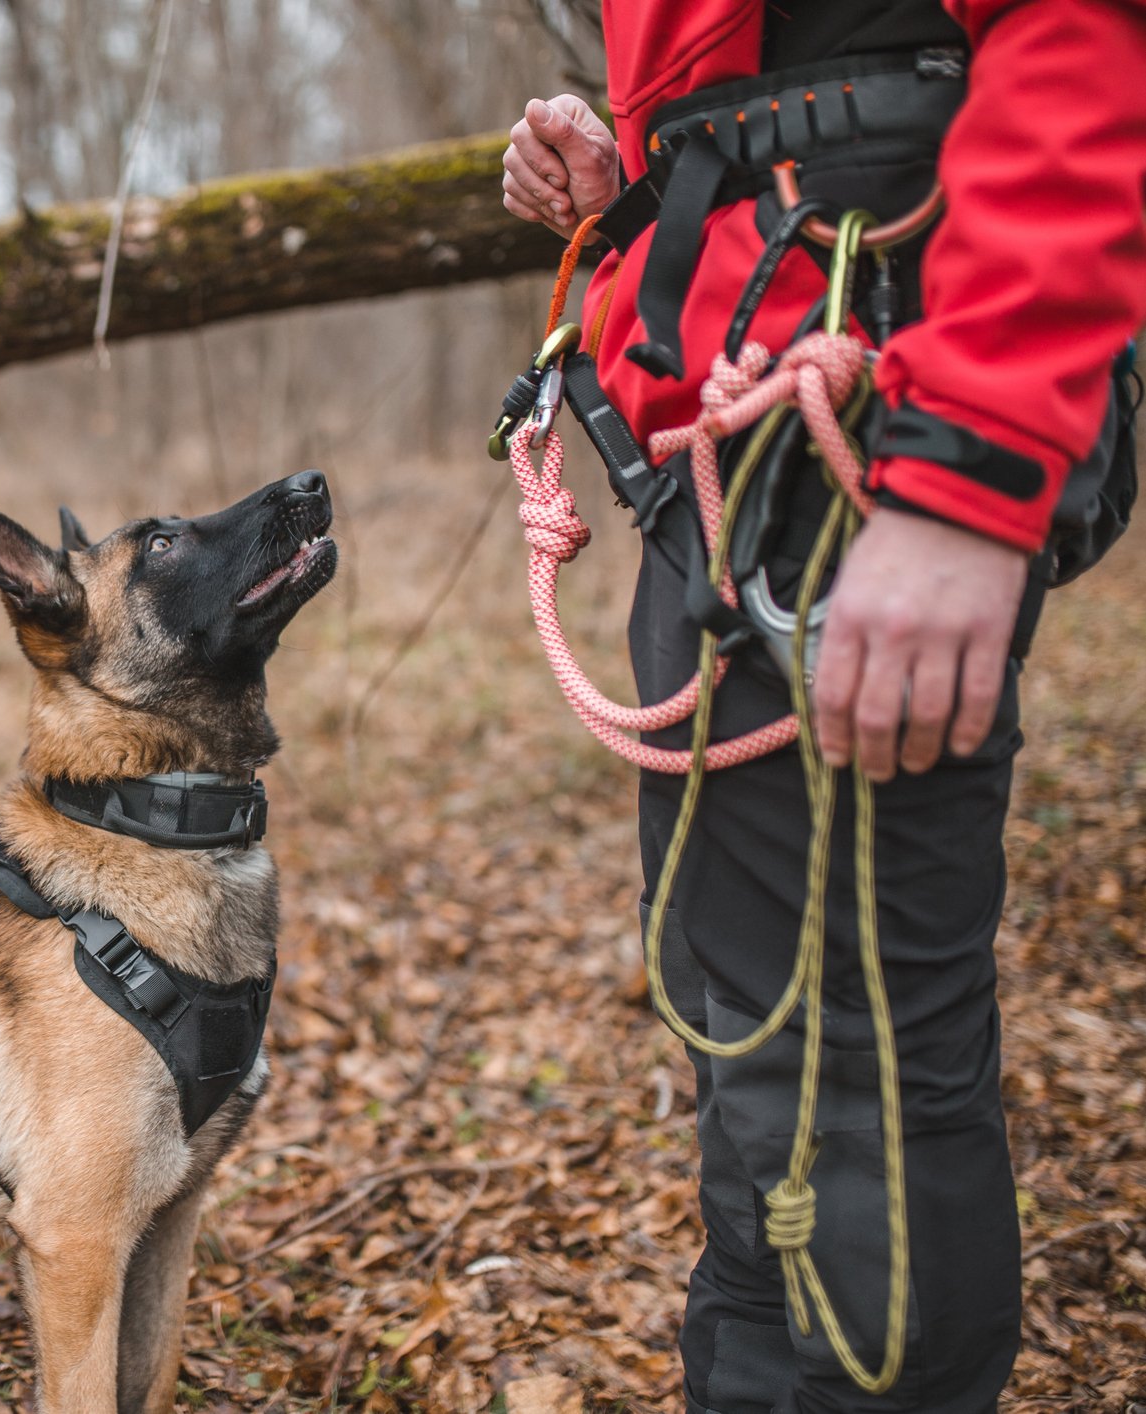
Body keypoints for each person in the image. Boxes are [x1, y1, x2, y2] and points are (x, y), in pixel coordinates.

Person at [499, 4, 1144, 1412]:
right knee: (753, 1042)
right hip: (722, 454)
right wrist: (644, 175)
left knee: (854, 1072)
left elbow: (1073, 41)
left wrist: (972, 470)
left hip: (868, 422)